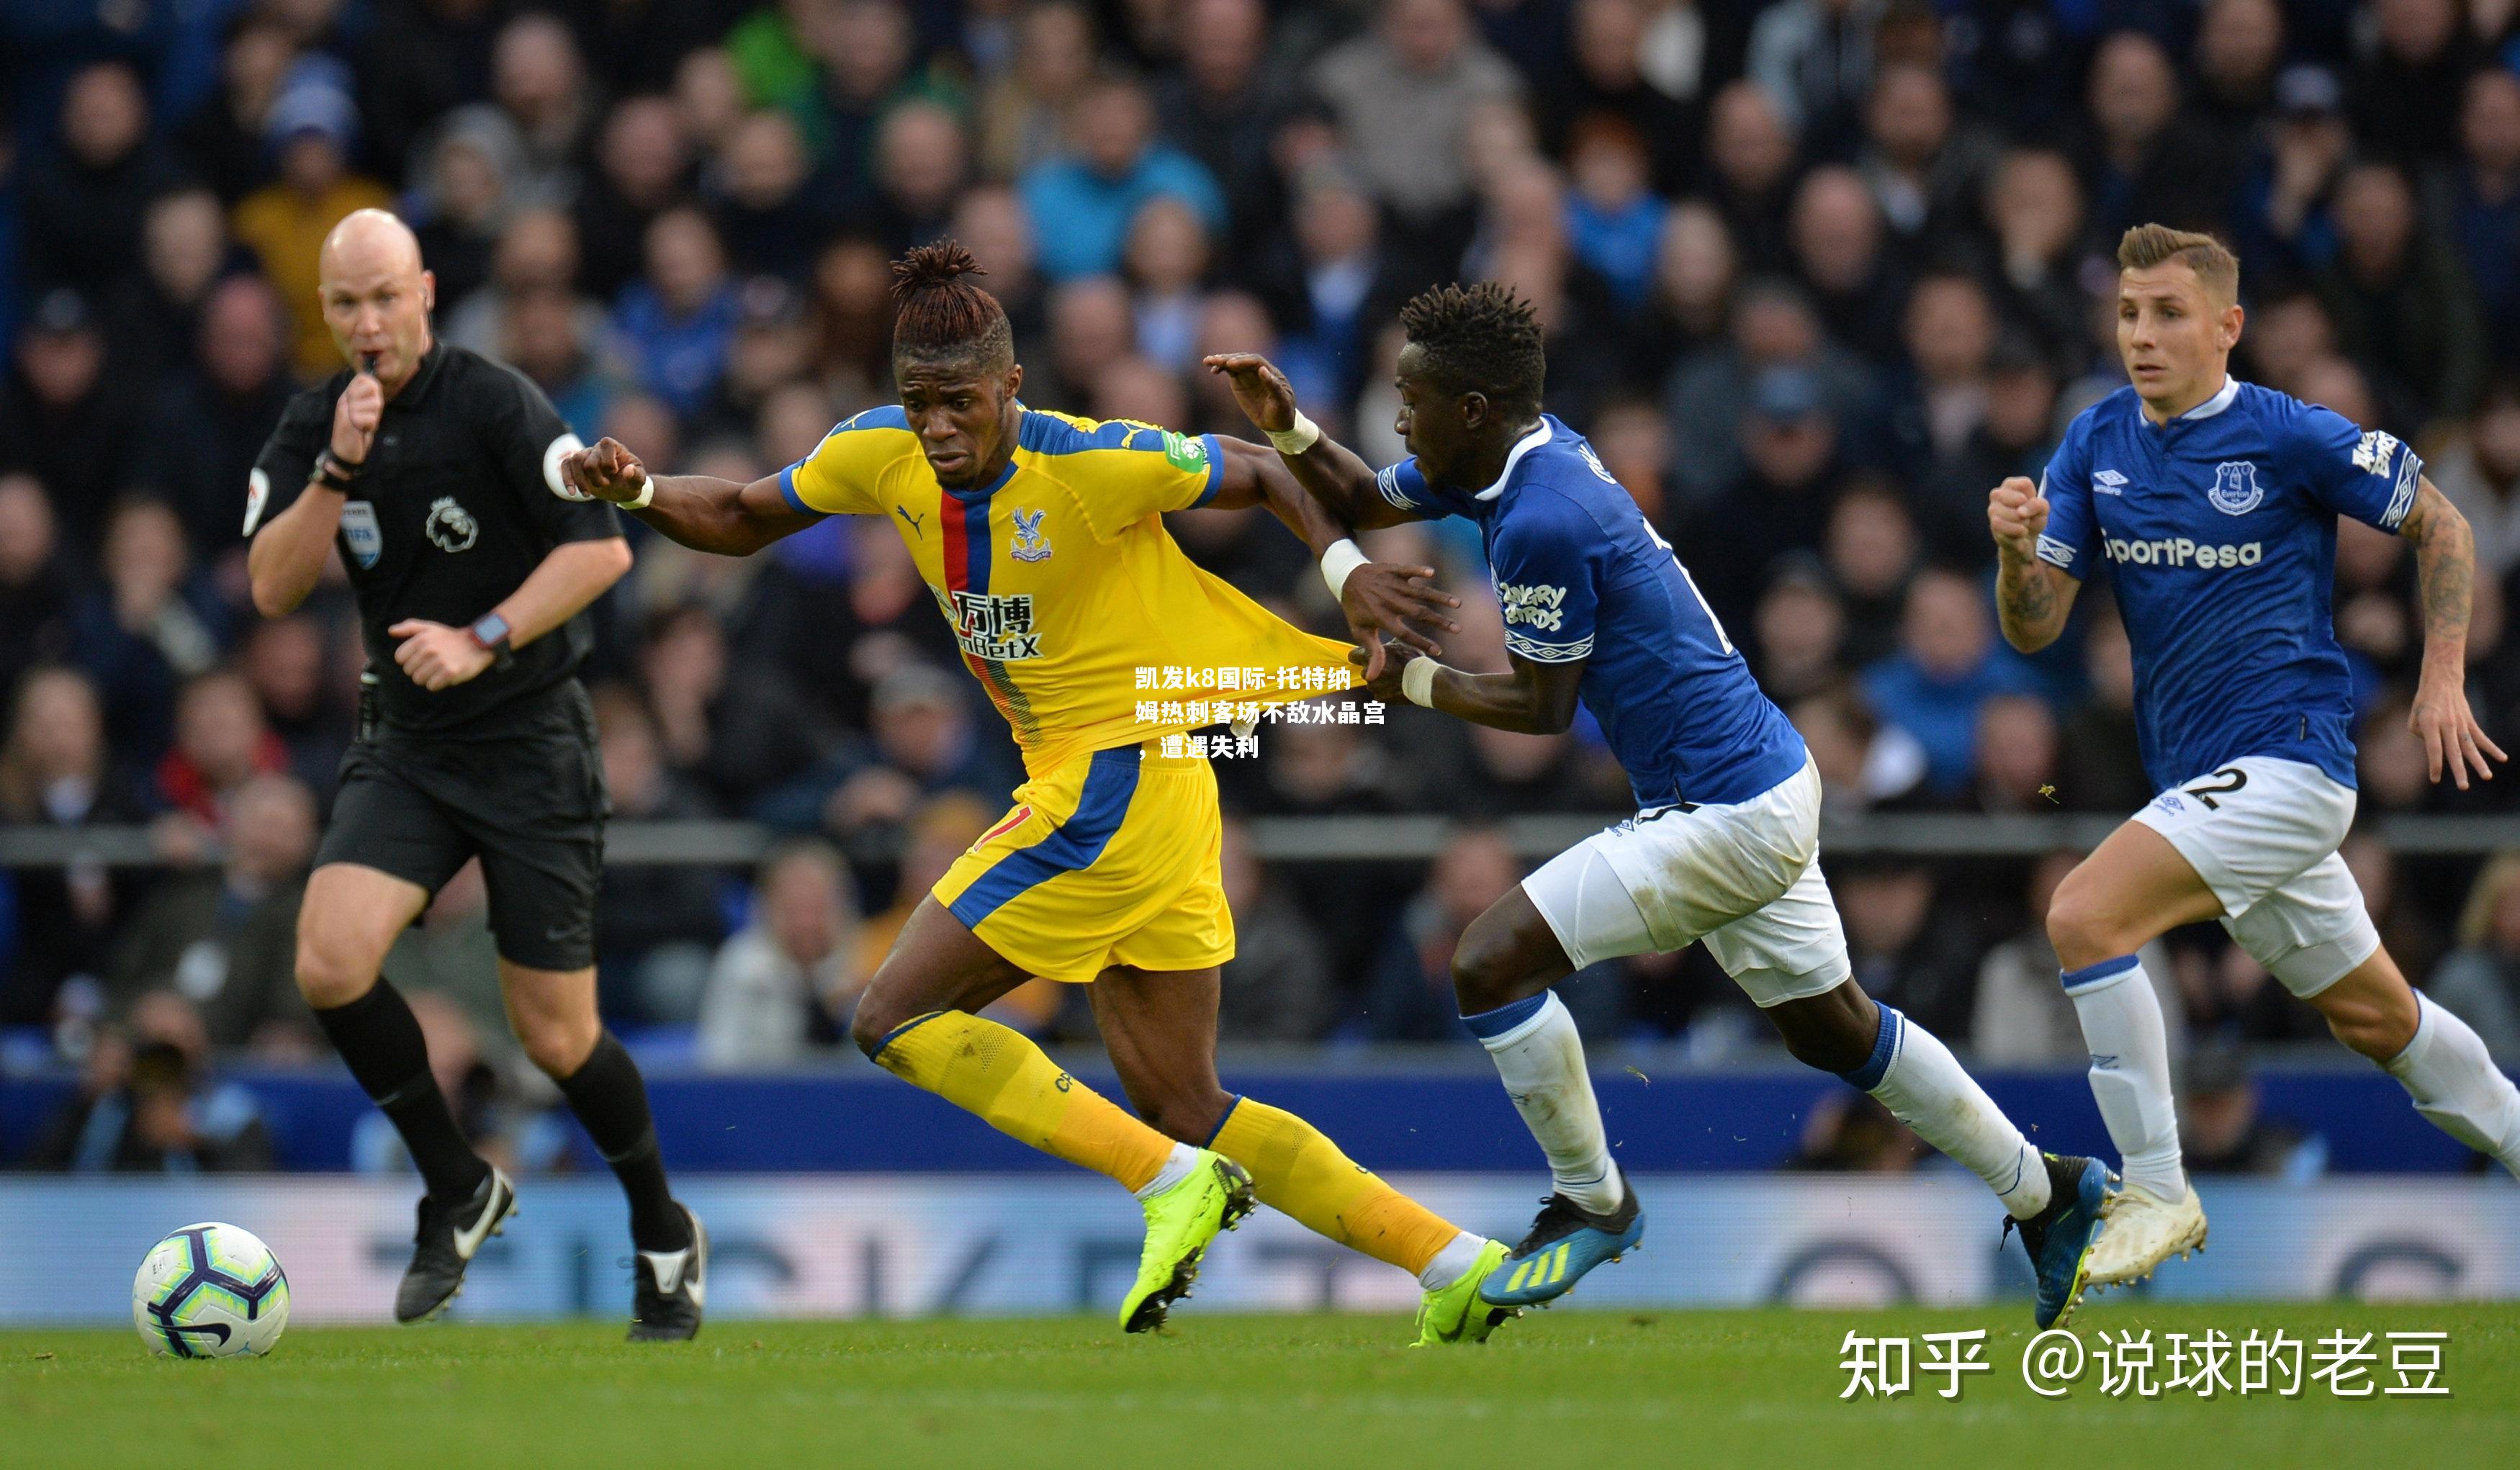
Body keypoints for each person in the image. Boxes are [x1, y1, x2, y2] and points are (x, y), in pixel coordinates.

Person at [555, 241, 1518, 1344]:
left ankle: (1165, 1184)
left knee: (891, 1013)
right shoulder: (879, 453)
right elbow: (734, 512)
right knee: (1188, 1104)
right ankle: (1451, 1259)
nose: (938, 428)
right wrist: (638, 490)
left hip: (1113, 778)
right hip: (1148, 791)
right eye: (919, 403)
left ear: (1011, 388)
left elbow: (1261, 469)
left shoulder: (1089, 462)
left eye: (961, 403)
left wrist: (1345, 576)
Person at [1207, 282, 2109, 1331]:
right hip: (1763, 776)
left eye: (1411, 402)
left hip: (1722, 807)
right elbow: (1363, 497)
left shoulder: (1544, 517)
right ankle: (2049, 1193)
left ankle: (1594, 1200)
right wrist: (1291, 427)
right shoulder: (1523, 451)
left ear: (1470, 410)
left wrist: (1399, 679)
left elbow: (1545, 708)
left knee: (1487, 961)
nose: (1397, 421)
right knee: (1837, 1031)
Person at [1986, 223, 2520, 1292]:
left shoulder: (2288, 436)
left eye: (2169, 314)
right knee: (2381, 1016)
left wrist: (2443, 671)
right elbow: (2035, 627)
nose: (2143, 335)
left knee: (2085, 913)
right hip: (2203, 789)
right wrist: (2013, 553)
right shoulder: (2093, 443)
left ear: (2228, 328)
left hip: (2292, 768)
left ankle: (2156, 1186)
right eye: (2130, 313)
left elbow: (2444, 523)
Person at [244, 209, 703, 1340]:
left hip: (529, 736)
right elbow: (270, 588)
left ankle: (662, 1229)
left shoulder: (495, 401)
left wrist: (482, 633)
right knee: (330, 959)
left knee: (555, 1036)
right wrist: (335, 470)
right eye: (345, 304)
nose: (367, 324)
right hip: (407, 744)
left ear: (427, 292)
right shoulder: (315, 425)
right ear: (325, 311)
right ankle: (458, 1184)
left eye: (385, 298)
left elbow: (600, 548)